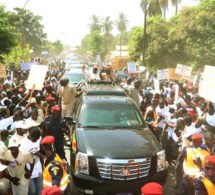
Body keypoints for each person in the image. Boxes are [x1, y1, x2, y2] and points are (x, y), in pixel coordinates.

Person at [20, 128, 43, 195]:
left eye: (37, 139)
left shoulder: (39, 138)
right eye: (34, 139)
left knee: (40, 191)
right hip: (29, 170)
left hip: (38, 169)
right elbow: (22, 158)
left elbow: (39, 149)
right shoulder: (23, 143)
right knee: (33, 191)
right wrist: (27, 170)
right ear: (30, 135)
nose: (36, 141)